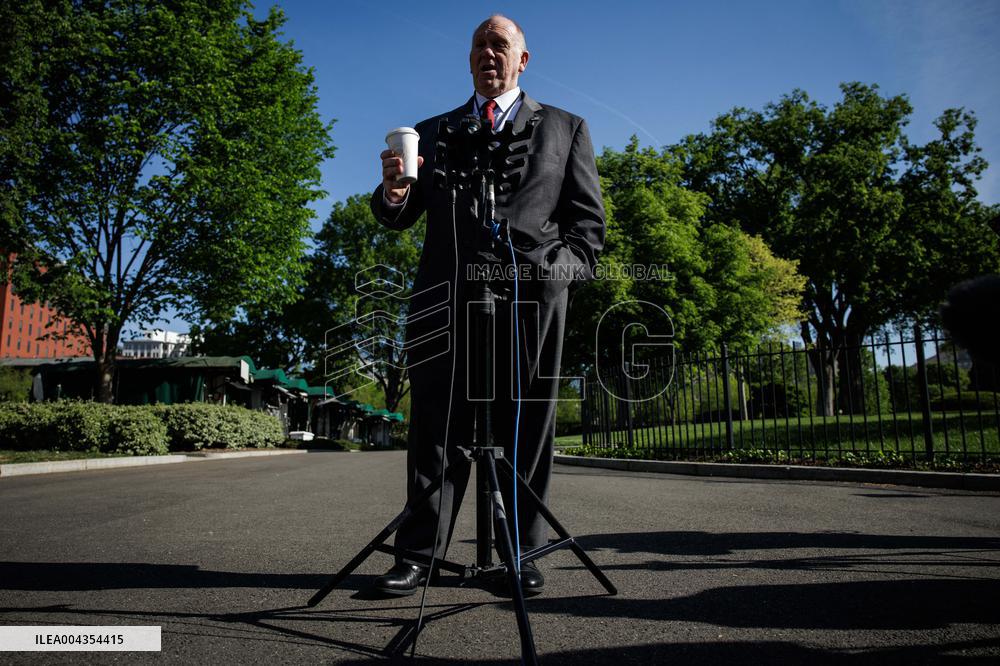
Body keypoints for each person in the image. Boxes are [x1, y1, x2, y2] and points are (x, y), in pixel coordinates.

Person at [370, 14, 605, 596]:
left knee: (523, 429)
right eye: (479, 45)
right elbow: (398, 216)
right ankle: (417, 556)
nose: (487, 53)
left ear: (524, 59)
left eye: (500, 45)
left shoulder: (566, 128)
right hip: (443, 302)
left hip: (530, 306)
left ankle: (517, 554)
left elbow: (587, 230)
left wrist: (554, 277)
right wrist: (393, 193)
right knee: (433, 430)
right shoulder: (434, 131)